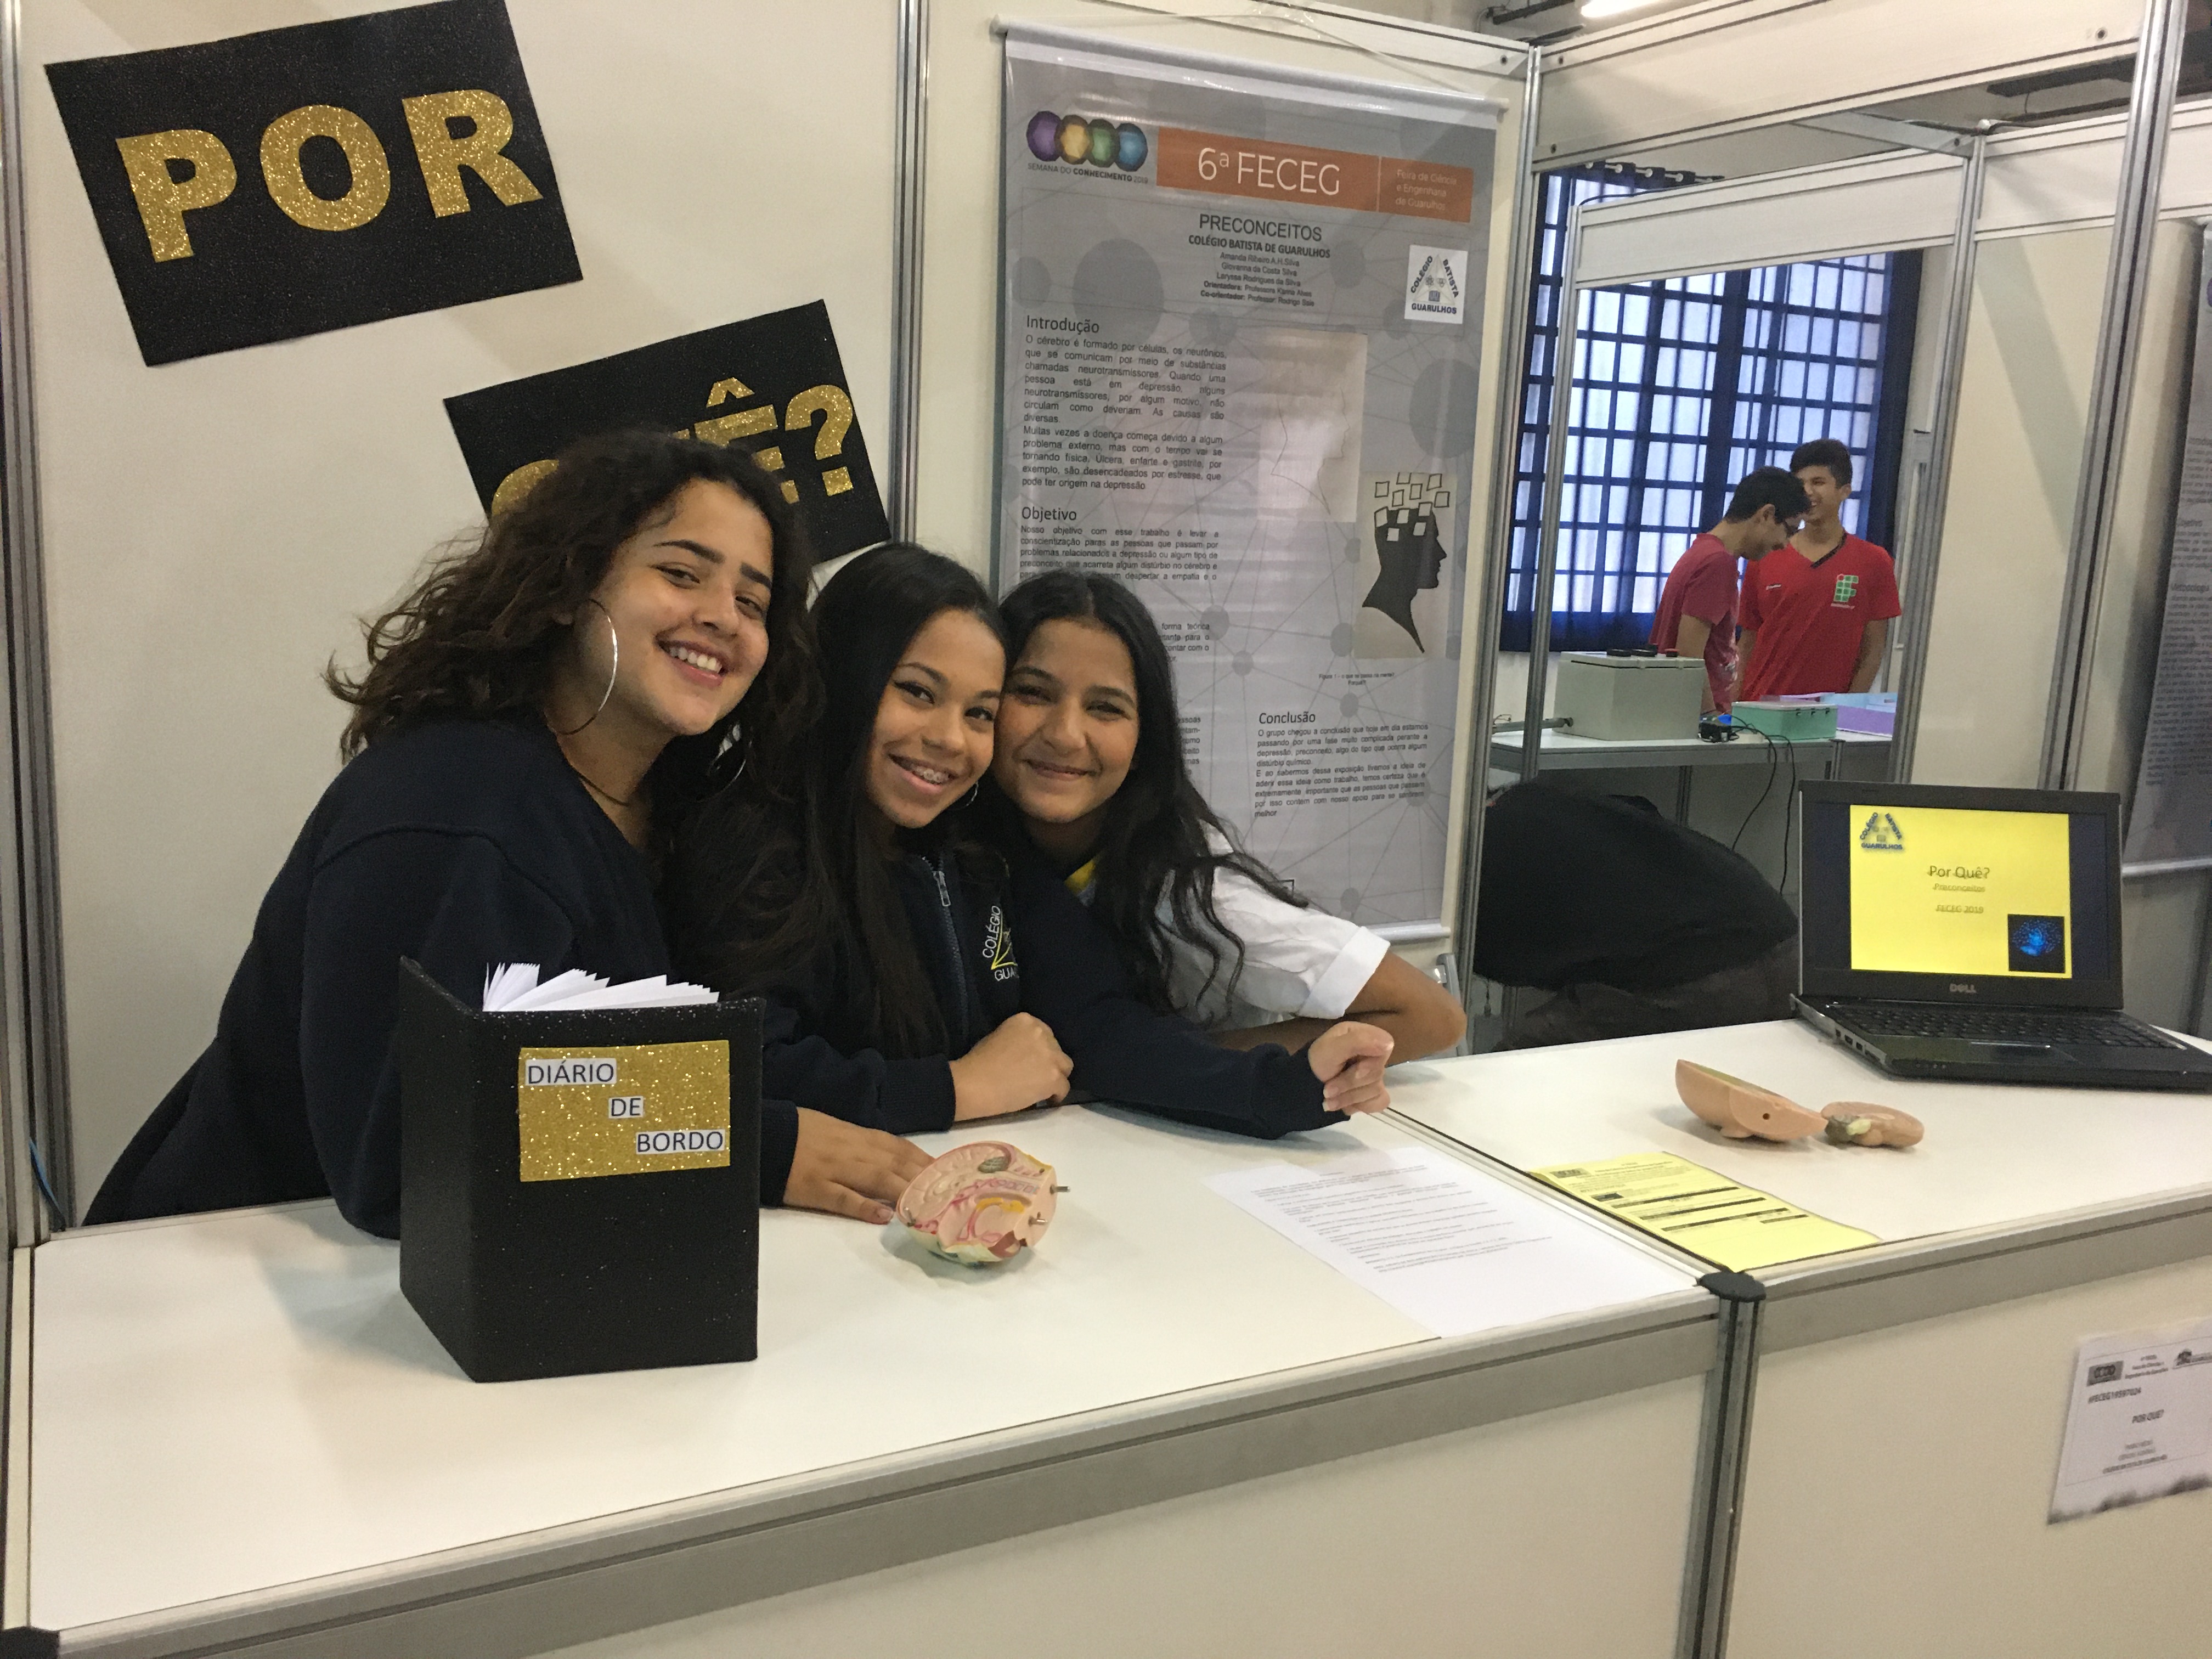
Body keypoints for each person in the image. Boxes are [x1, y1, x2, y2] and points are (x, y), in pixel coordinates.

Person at [87, 432, 932, 1237]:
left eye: (753, 602)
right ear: (567, 586)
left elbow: (584, 1074)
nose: (722, 617)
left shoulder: (661, 807)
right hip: (227, 1282)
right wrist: (755, 1144)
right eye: (681, 573)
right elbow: (408, 1161)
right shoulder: (461, 806)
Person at [669, 545, 1397, 1140]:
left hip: (964, 1201)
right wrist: (957, 1088)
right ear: (843, 680)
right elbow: (728, 1075)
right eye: (918, 692)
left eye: (981, 713)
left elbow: (1103, 1027)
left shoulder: (978, 852)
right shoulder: (751, 844)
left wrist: (1286, 1088)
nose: (950, 740)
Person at [990, 568, 1464, 1059]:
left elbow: (1429, 1015)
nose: (1065, 735)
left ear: (1145, 740)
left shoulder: (1191, 895)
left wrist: (1171, 1061)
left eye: (1106, 708)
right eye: (1033, 693)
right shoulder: (977, 853)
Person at [1472, 781, 1799, 1048]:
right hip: (1785, 943)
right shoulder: (1529, 798)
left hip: (1702, 974)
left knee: (1506, 1074)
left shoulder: (1469, 857)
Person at [1737, 437, 1901, 701]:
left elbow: (1873, 650)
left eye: (1818, 482)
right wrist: (1733, 707)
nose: (1808, 492)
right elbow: (1747, 642)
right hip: (1760, 707)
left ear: (1844, 490)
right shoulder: (1766, 555)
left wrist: (1849, 708)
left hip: (1828, 714)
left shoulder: (1874, 561)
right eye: (1800, 484)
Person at [1647, 467, 1809, 713]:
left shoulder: (1703, 552)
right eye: (1789, 531)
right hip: (1693, 719)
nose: (1785, 545)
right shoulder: (1717, 563)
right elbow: (1689, 658)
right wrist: (1713, 720)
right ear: (1767, 515)